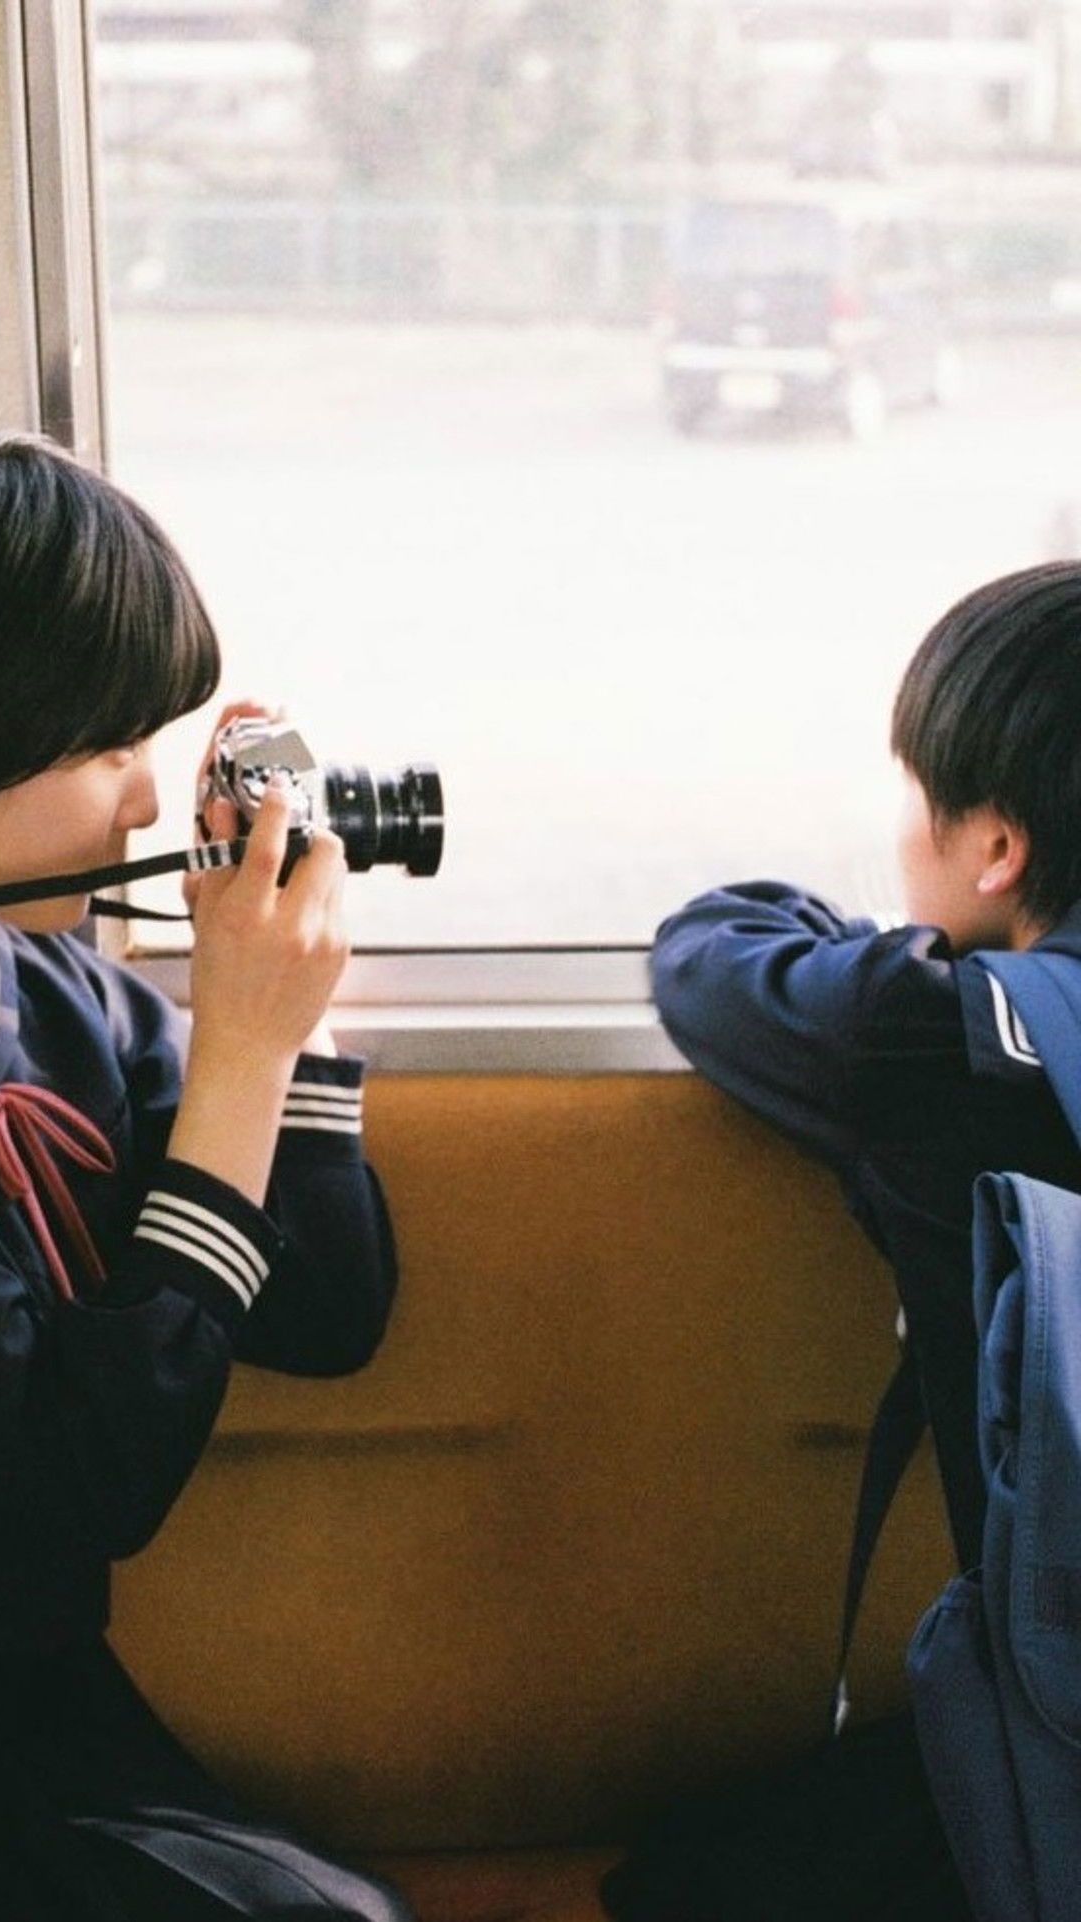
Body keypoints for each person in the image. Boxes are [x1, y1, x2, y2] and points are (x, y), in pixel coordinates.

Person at [0, 421, 412, 1922]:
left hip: (30, 1727)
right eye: (110, 746)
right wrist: (240, 1055)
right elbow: (76, 1484)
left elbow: (326, 1313)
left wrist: (283, 1009)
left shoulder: (49, 986)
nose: (145, 802)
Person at [608, 561, 1081, 1921]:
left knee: (678, 1879)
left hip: (1058, 1731)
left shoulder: (935, 1039)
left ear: (998, 850)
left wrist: (908, 948)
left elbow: (712, 950)